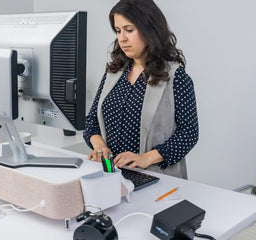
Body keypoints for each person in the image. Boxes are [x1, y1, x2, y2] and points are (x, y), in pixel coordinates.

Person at [83, 0, 198, 179]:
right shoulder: (114, 73)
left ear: (149, 29)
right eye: (118, 31)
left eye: (129, 30)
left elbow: (189, 133)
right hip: (112, 176)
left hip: (157, 179)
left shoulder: (175, 77)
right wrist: (99, 146)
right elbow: (92, 121)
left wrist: (146, 158)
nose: (122, 38)